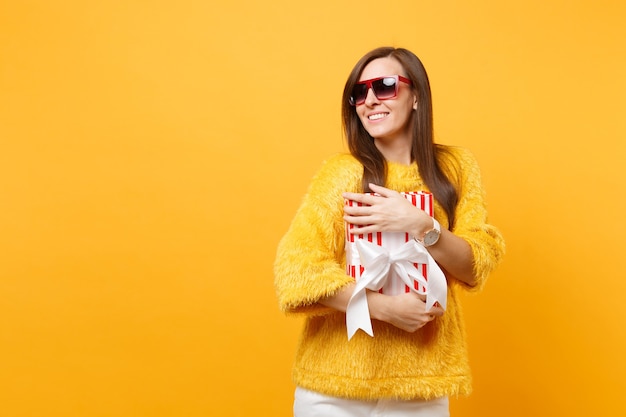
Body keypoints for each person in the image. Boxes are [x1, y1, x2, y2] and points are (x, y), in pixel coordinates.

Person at [274, 46, 505, 417]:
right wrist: (383, 308)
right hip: (333, 389)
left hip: (423, 387)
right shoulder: (342, 173)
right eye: (359, 92)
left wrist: (421, 225)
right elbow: (297, 273)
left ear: (416, 96)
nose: (369, 101)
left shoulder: (455, 168)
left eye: (384, 86)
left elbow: (475, 265)